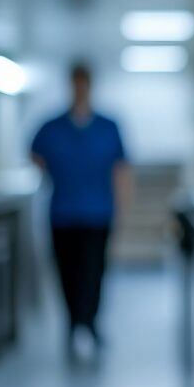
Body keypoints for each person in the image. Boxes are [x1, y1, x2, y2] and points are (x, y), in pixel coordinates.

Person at [31, 63, 131, 361]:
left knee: (93, 272)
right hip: (62, 213)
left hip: (98, 213)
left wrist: (122, 207)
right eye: (75, 83)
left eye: (84, 83)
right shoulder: (52, 126)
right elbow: (35, 154)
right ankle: (74, 323)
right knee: (66, 272)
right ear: (70, 85)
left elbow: (121, 170)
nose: (80, 89)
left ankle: (88, 323)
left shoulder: (107, 126)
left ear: (90, 86)